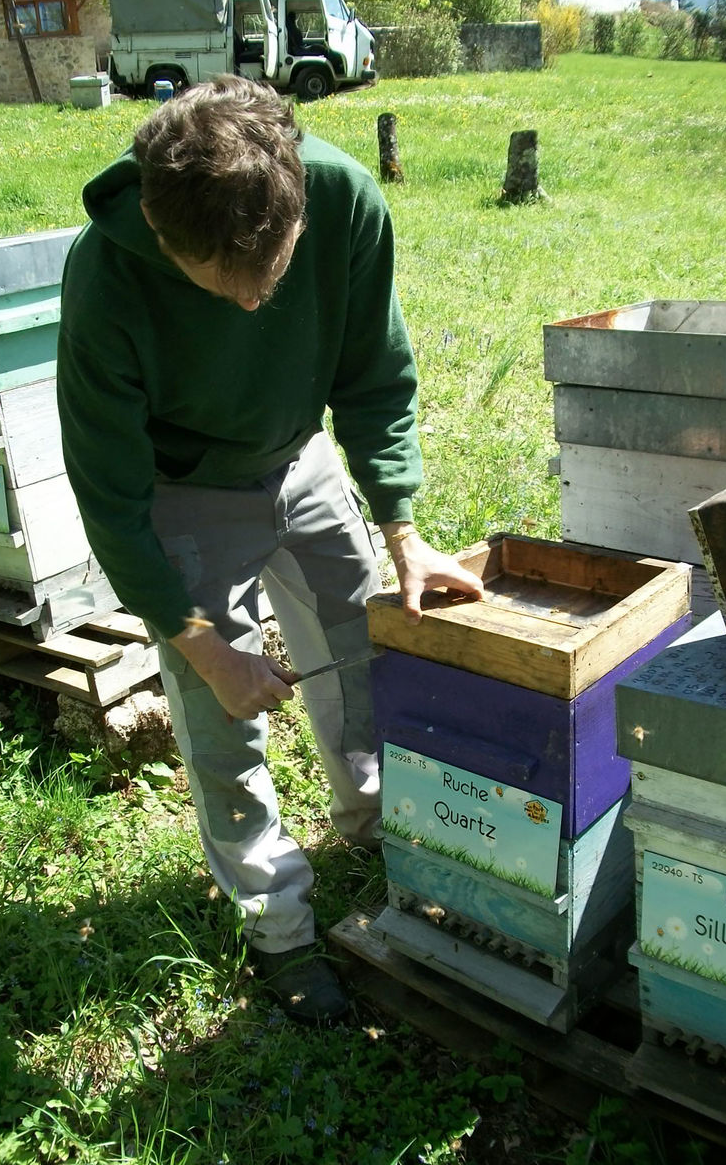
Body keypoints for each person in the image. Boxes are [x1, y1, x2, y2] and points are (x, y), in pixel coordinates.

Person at [56, 75, 483, 1024]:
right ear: (165, 236)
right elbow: (113, 499)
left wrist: (401, 526)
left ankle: (372, 830)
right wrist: (204, 649)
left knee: (359, 641)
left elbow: (375, 373)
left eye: (271, 271)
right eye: (216, 280)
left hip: (302, 455)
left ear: (295, 201)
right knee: (222, 731)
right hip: (186, 488)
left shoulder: (343, 200)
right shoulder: (106, 277)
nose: (251, 305)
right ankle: (281, 935)